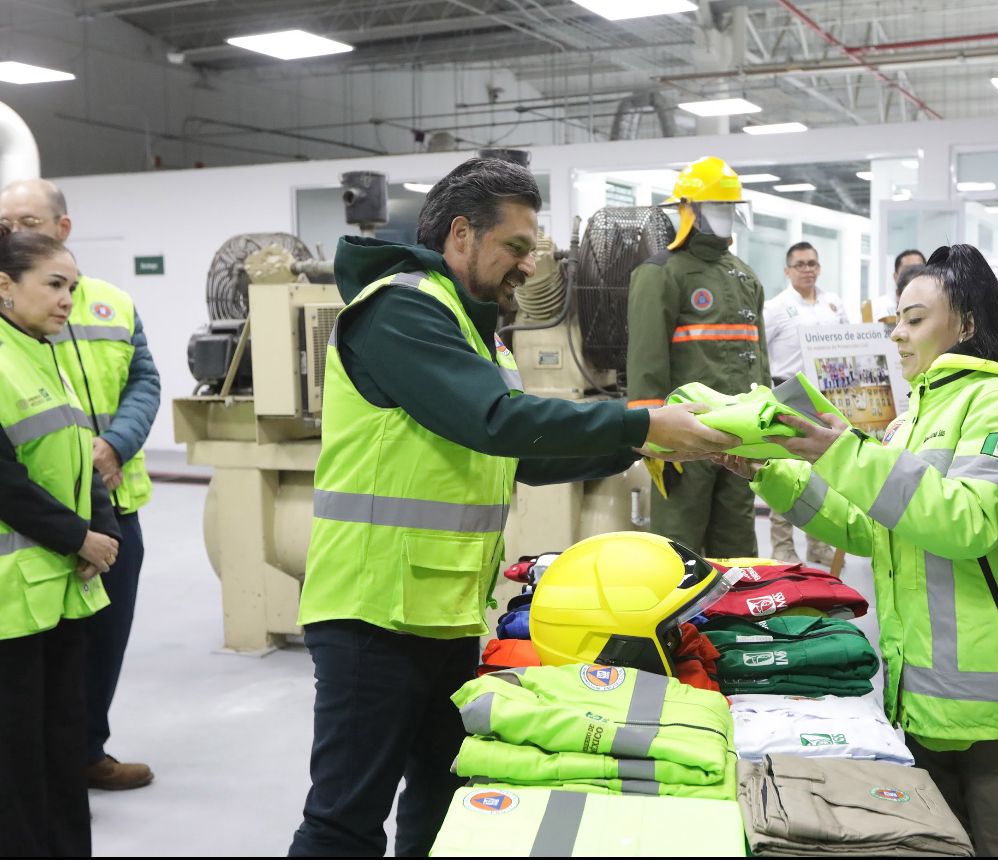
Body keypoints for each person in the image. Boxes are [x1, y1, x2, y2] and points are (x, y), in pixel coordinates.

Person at [287, 157, 733, 857]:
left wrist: (648, 447)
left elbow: (515, 453)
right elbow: (496, 421)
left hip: (441, 607)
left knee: (443, 791)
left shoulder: (470, 326)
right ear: (461, 235)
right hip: (371, 611)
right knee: (345, 818)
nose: (529, 267)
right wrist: (642, 423)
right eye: (517, 248)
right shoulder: (400, 309)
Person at [717, 243, 998, 857]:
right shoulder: (913, 416)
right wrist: (768, 472)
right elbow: (870, 528)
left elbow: (968, 523)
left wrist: (841, 452)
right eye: (897, 319)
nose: (897, 334)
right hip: (921, 699)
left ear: (966, 324)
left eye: (914, 320)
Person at [0, 178, 159, 791]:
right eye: (8, 223)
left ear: (62, 228)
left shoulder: (112, 303)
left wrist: (115, 443)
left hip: (113, 501)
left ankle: (86, 748)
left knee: (103, 639)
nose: (17, 232)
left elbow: (145, 379)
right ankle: (50, 767)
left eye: (30, 221)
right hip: (40, 515)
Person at [0, 227, 119, 855]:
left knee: (62, 747)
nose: (67, 299)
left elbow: (80, 457)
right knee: (17, 764)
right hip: (11, 606)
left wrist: (105, 528)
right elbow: (5, 482)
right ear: (4, 286)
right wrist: (81, 538)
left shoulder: (47, 354)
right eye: (53, 285)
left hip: (60, 593)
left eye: (71, 286)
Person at [627, 155, 770, 557]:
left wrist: (769, 420)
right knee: (678, 550)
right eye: (716, 206)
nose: (725, 215)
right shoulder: (661, 274)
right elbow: (645, 362)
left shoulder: (744, 275)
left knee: (739, 549)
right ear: (688, 211)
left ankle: (738, 619)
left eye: (730, 206)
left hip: (741, 438)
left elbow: (760, 360)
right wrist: (649, 433)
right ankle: (674, 621)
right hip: (684, 438)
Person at [763, 241, 848, 564]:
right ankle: (782, 544)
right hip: (787, 394)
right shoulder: (776, 307)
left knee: (823, 472)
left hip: (826, 397)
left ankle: (819, 542)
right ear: (787, 270)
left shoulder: (833, 304)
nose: (807, 269)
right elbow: (760, 349)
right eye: (800, 264)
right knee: (784, 470)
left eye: (812, 263)